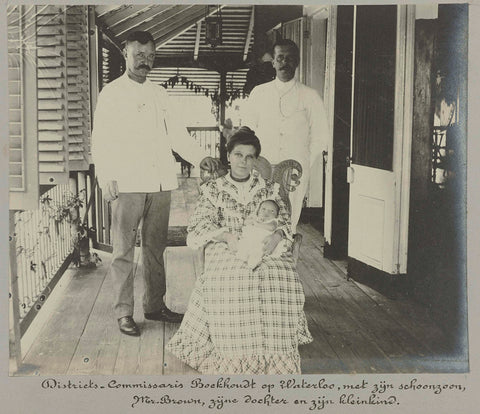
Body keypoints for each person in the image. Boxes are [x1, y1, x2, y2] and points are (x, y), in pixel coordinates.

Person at [91, 31, 219, 336]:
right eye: (139, 55)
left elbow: (178, 135)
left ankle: (154, 305)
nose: (145, 61)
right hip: (126, 182)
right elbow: (101, 140)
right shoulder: (111, 94)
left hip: (161, 182)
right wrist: (104, 176)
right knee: (123, 250)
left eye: (150, 56)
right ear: (125, 54)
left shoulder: (160, 94)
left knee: (155, 248)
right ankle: (124, 312)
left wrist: (201, 157)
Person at [166, 127, 312, 374]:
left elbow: (285, 219)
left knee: (277, 275)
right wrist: (226, 236)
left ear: (255, 160)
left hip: (267, 243)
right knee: (236, 276)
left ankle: (273, 357)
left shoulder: (269, 188)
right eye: (238, 155)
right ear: (229, 156)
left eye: (249, 156)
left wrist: (277, 236)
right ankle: (235, 357)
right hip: (226, 244)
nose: (243, 162)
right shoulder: (214, 189)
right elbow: (200, 224)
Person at [243, 39, 330, 232]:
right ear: (273, 62)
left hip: (295, 169)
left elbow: (321, 136)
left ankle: (283, 257)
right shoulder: (259, 93)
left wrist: (304, 161)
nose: (285, 62)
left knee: (288, 219)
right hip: (264, 165)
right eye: (280, 58)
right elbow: (247, 129)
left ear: (297, 61)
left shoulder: (310, 96)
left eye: (290, 58)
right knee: (259, 213)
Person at [236, 199, 288, 269]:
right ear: (258, 211)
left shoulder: (273, 221)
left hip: (262, 240)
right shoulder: (255, 218)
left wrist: (258, 224)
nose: (267, 212)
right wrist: (252, 221)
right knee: (243, 245)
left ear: (276, 216)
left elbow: (272, 228)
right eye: (263, 209)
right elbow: (245, 222)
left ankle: (254, 261)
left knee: (258, 250)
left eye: (272, 211)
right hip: (249, 238)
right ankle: (243, 256)